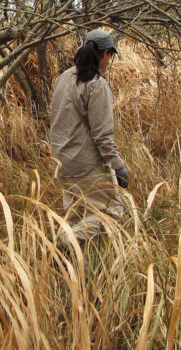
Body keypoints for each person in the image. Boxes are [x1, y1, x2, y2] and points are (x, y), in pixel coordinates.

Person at [49, 29, 130, 244]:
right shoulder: (96, 84)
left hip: (62, 163)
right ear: (104, 53)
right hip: (85, 165)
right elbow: (102, 136)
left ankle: (69, 270)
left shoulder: (64, 77)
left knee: (79, 217)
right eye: (110, 54)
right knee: (112, 213)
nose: (109, 59)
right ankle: (60, 244)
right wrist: (118, 166)